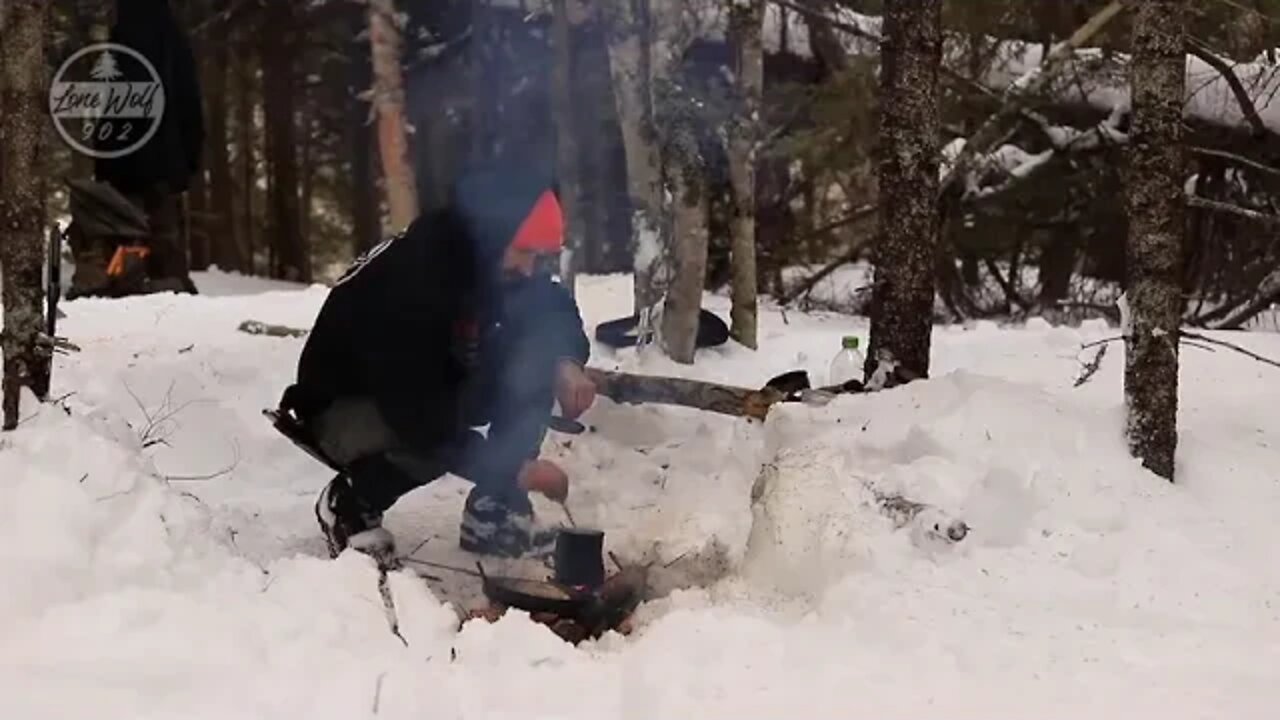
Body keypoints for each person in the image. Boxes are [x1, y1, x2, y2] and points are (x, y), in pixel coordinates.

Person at [275, 166, 596, 564]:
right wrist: (513, 470)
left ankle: (493, 518)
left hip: (423, 391)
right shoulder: (416, 279)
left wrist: (566, 362)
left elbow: (551, 307)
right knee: (435, 438)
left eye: (538, 256)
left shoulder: (485, 258)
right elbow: (420, 415)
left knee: (536, 358)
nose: (530, 268)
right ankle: (350, 503)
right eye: (526, 252)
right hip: (344, 409)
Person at [93, 0, 203, 295]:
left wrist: (104, 160)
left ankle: (130, 289)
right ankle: (170, 292)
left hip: (128, 162)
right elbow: (189, 101)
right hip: (163, 161)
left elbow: (113, 104)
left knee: (129, 234)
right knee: (162, 236)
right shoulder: (172, 38)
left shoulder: (125, 37)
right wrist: (189, 158)